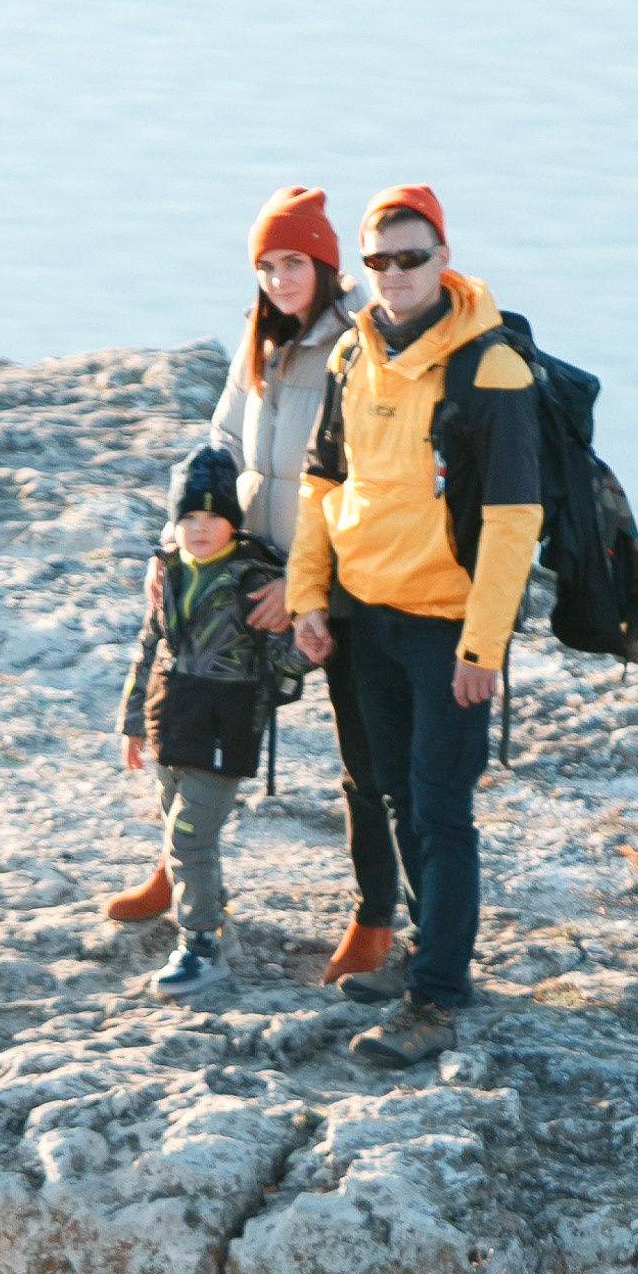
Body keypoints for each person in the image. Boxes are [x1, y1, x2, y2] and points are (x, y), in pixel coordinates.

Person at [105, 186, 396, 983]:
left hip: (333, 586)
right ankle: (179, 870)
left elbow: (366, 482)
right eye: (266, 265)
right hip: (244, 573)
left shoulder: (358, 347)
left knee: (363, 763)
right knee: (186, 719)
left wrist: (312, 592)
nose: (278, 279)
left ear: (326, 264)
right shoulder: (256, 342)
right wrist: (178, 549)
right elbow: (219, 447)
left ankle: (374, 921)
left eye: (293, 262)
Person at [288, 185, 541, 1069]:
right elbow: (323, 484)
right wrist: (308, 597)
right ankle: (434, 959)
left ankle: (434, 1000)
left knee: (440, 809)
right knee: (392, 791)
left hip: (443, 627)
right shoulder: (351, 356)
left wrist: (482, 648)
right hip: (364, 616)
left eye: (412, 258)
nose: (394, 276)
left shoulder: (489, 367)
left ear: (443, 259)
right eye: (379, 261)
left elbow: (513, 518)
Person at [115, 442, 303, 996]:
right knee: (183, 832)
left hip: (226, 729)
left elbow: (290, 661)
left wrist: (309, 637)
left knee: (189, 839)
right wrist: (132, 722)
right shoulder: (171, 571)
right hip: (171, 724)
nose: (199, 529)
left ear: (232, 523)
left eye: (213, 517)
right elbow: (150, 645)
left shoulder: (253, 580)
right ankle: (219, 927)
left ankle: (200, 946)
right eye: (188, 518)